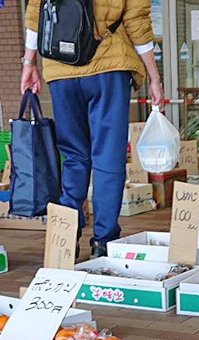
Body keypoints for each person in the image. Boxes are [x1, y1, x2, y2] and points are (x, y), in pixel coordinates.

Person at [20, 0, 164, 257]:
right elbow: (136, 20)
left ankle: (64, 240)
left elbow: (35, 14)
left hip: (61, 69)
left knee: (74, 157)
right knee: (107, 159)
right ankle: (103, 243)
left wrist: (29, 63)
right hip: (108, 68)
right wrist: (154, 76)